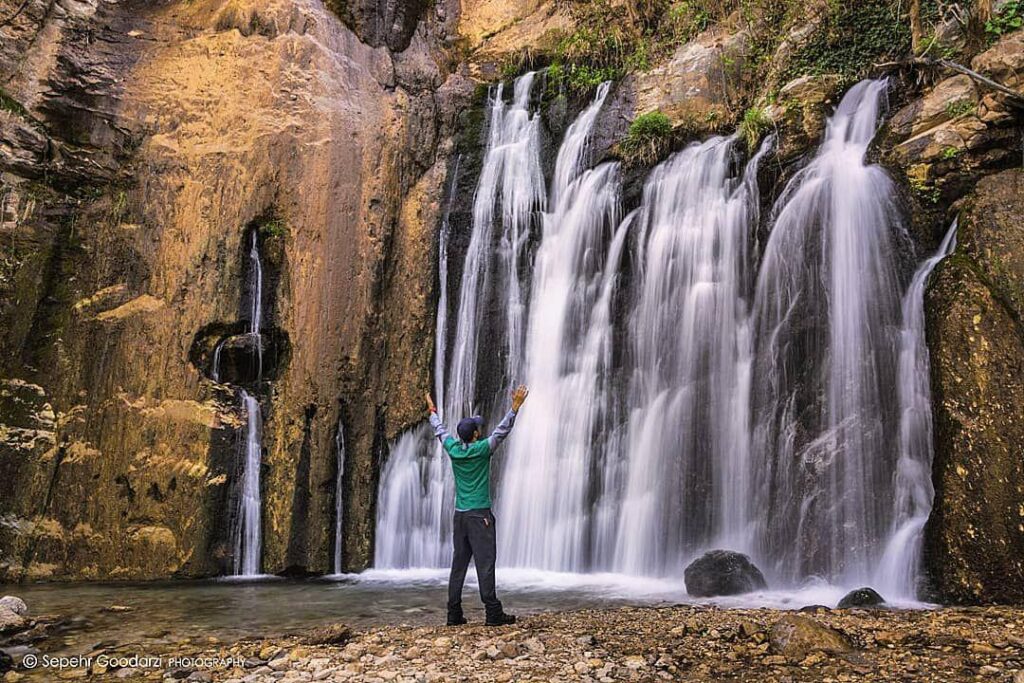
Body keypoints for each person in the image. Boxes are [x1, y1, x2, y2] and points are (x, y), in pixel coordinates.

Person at [426, 384, 529, 627]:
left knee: (458, 564)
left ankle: (453, 613)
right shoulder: (483, 450)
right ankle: (493, 613)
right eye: (478, 429)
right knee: (485, 563)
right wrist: (515, 407)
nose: (480, 431)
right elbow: (502, 431)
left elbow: (439, 429)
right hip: (479, 516)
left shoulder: (452, 449)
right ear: (474, 435)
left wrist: (431, 409)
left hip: (460, 516)